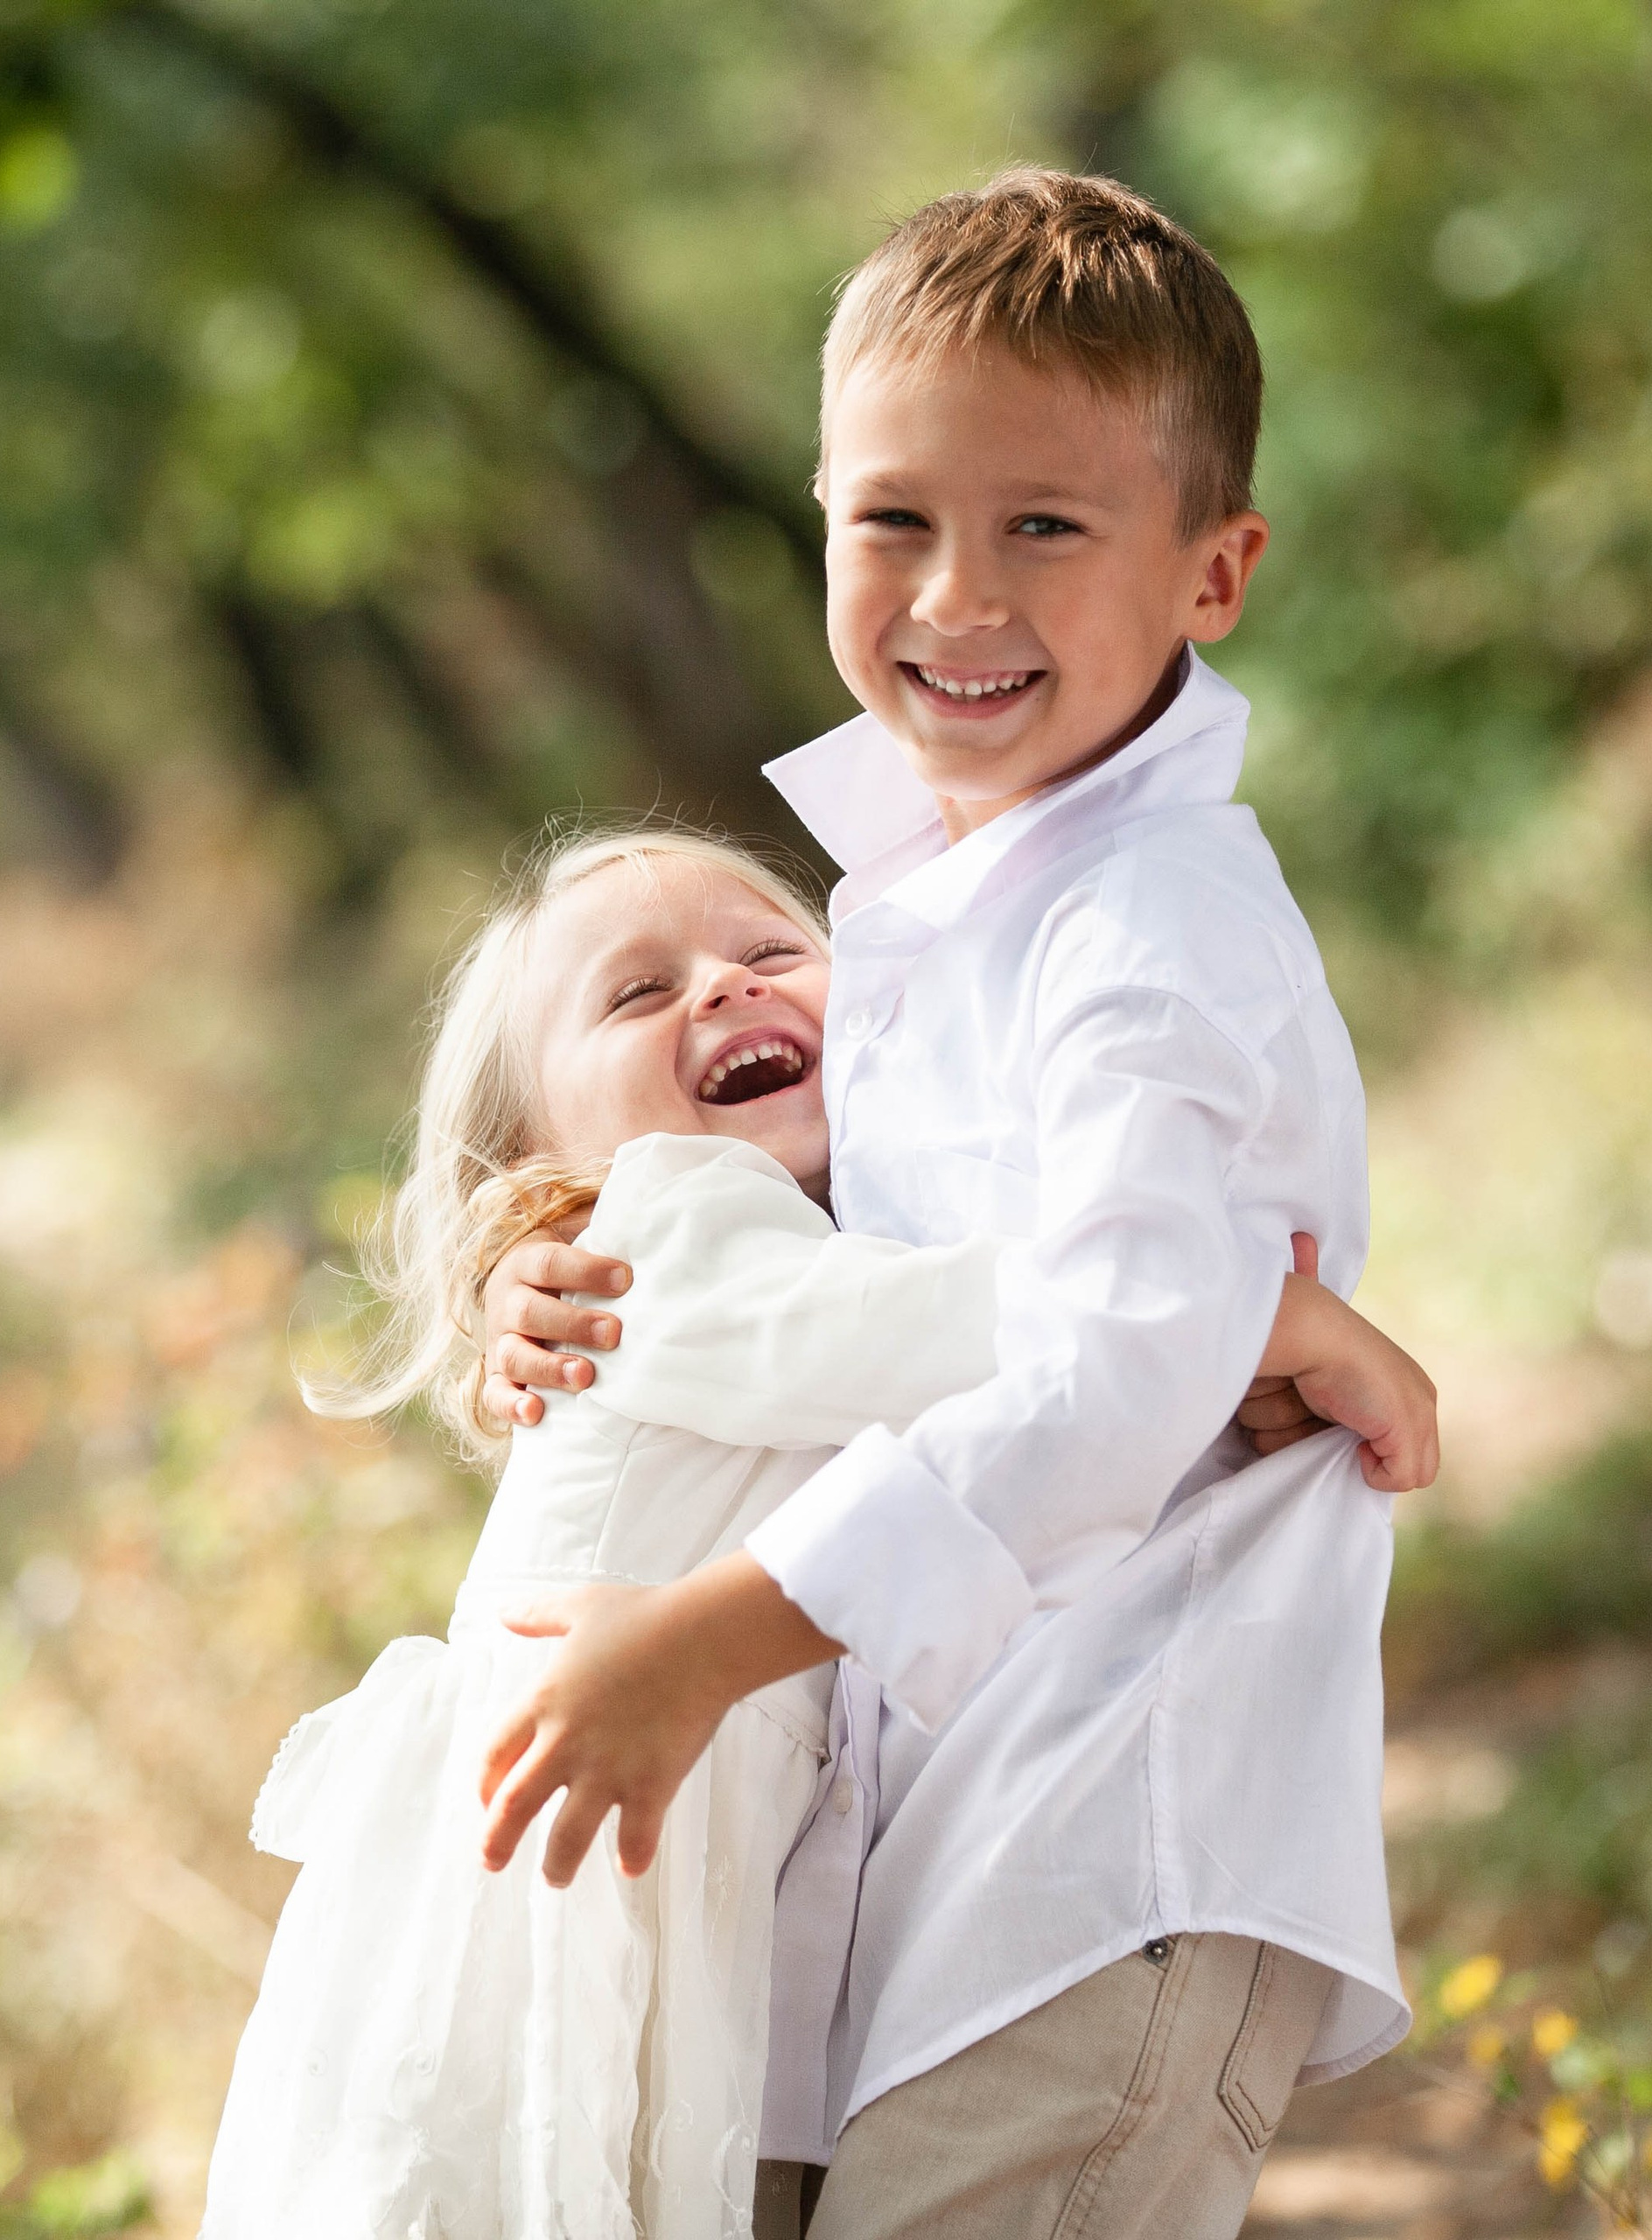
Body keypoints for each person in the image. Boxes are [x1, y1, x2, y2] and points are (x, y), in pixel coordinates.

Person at [477, 171, 1426, 2239]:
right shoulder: (918, 895)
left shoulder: (1142, 924)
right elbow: (843, 1278)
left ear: (1213, 570)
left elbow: (1106, 1365)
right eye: (892, 519)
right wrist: (556, 1287)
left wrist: (703, 1643)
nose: (952, 597)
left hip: (1115, 1836)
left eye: (1046, 528)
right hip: (949, 1837)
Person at [199, 829, 1436, 2240]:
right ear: (532, 1152)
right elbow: (906, 1330)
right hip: (556, 1896)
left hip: (632, 1893)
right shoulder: (651, 1236)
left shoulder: (780, 1242)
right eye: (636, 993)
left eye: (772, 950)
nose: (722, 988)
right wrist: (1246, 1317)